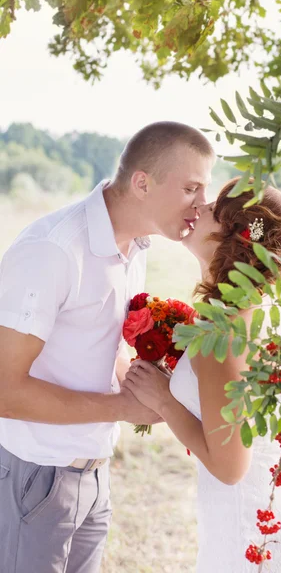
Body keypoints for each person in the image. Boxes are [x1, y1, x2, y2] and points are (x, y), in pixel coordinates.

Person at [0, 121, 215, 573]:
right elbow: (4, 391)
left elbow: (101, 346)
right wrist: (123, 409)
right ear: (142, 182)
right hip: (37, 474)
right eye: (191, 187)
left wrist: (149, 385)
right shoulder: (53, 250)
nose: (202, 203)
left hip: (95, 472)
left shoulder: (133, 248)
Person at [124, 179, 281, 573]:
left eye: (213, 207)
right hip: (270, 501)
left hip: (248, 516)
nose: (200, 207)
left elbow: (230, 468)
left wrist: (163, 399)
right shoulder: (253, 308)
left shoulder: (223, 333)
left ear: (234, 236)